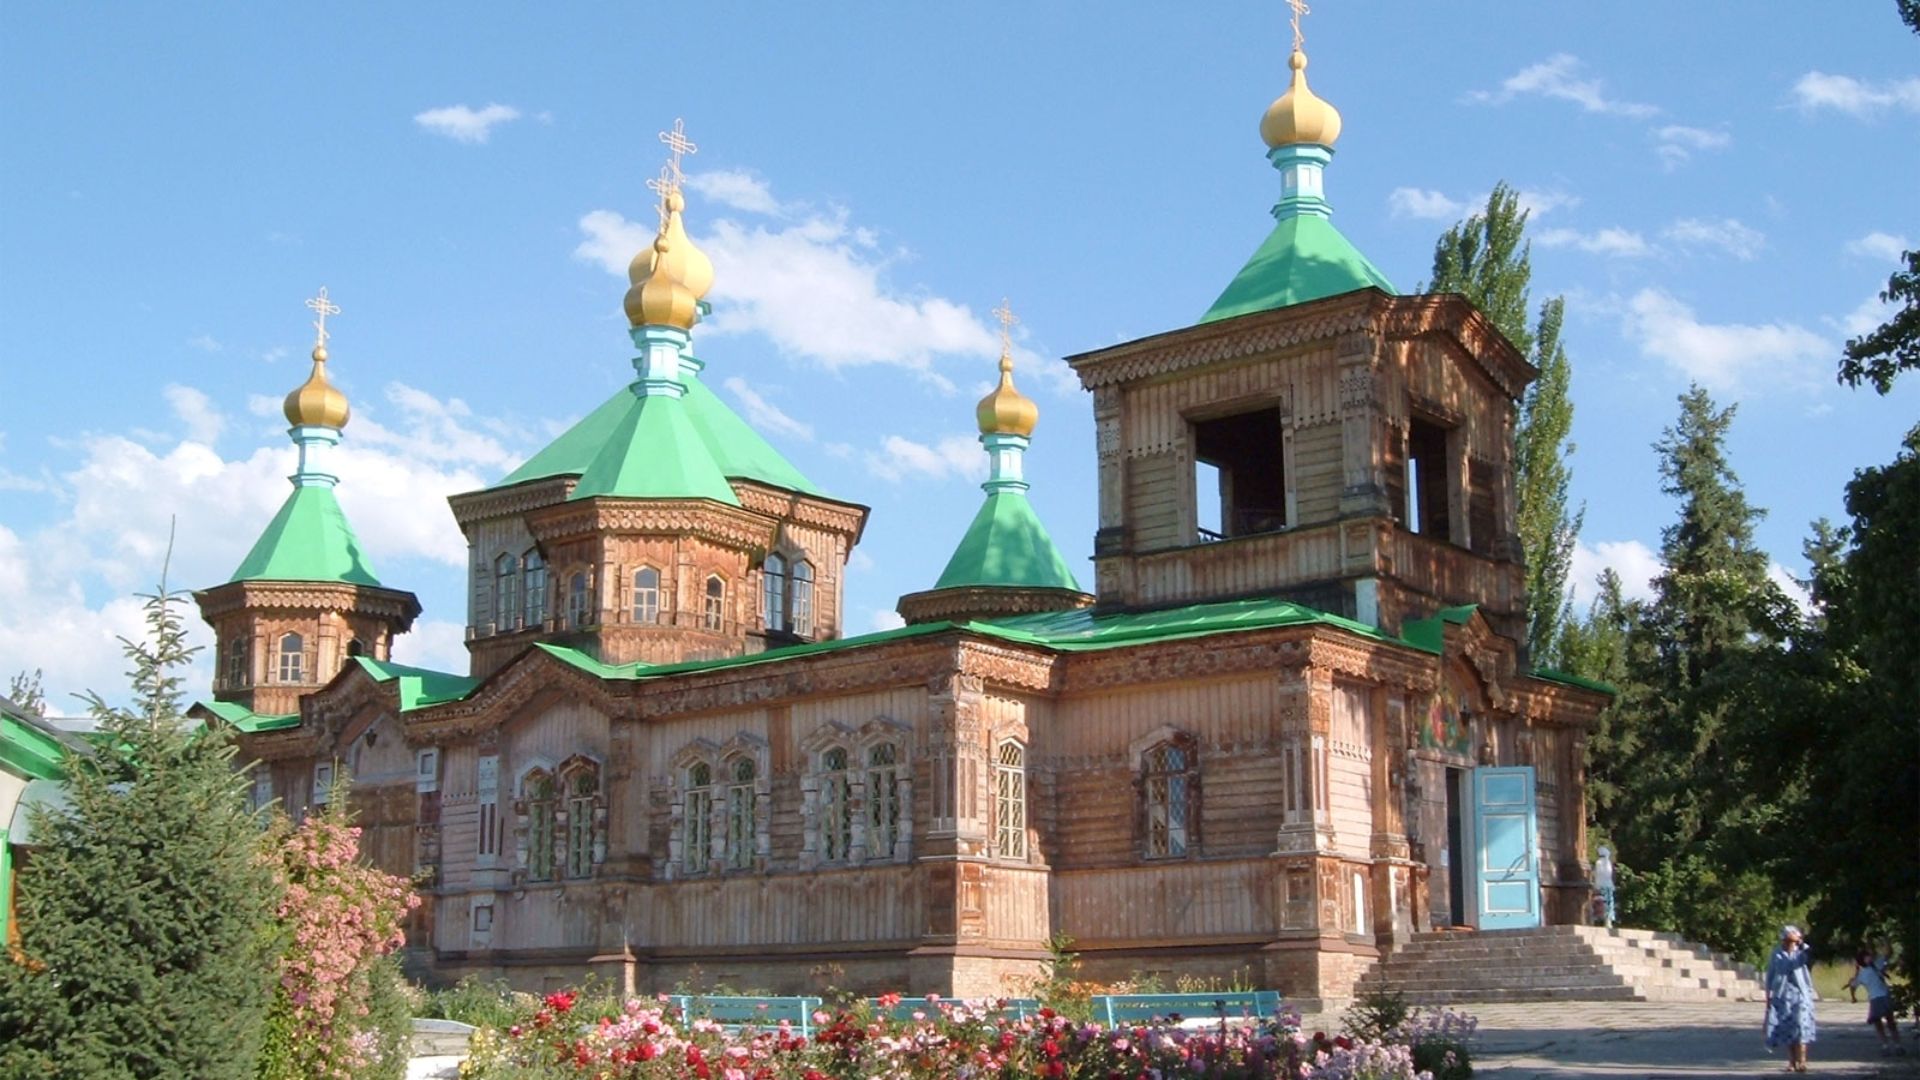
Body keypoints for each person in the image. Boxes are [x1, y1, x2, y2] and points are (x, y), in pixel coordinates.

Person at [1765, 925, 1817, 1072]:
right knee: (1788, 1029)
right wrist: (1768, 996)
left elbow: (1809, 955)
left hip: (1800, 995)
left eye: (1792, 940)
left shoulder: (1801, 953)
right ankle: (1792, 1061)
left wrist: (1800, 943)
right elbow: (1770, 975)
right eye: (1787, 940)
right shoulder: (1777, 954)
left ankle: (1802, 1060)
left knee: (1801, 1027)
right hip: (1783, 995)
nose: (1789, 943)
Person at [1852, 938, 1903, 1055]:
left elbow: (1889, 953)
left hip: (1883, 996)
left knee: (1890, 1021)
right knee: (1879, 1023)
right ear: (1863, 959)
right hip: (1876, 998)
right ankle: (1887, 1045)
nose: (1871, 956)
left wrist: (1886, 941)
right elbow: (1853, 985)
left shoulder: (1877, 964)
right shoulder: (1862, 973)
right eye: (1867, 956)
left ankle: (1896, 1045)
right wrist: (1853, 997)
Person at [1592, 846, 1616, 929]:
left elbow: (1596, 875)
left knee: (1599, 903)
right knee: (1608, 903)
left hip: (1599, 885)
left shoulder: (1598, 863)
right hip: (1608, 885)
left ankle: (1598, 920)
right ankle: (1607, 921)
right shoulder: (1607, 863)